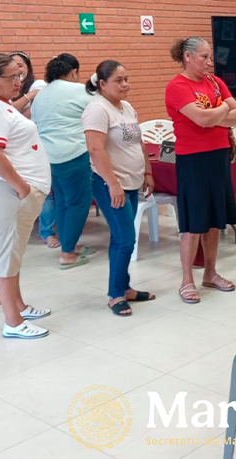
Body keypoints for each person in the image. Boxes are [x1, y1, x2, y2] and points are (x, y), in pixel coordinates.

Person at [0, 54, 53, 339]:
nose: (18, 82)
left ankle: (19, 306)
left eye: (20, 76)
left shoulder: (1, 106)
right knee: (6, 256)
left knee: (14, 254)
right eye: (11, 77)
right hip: (6, 193)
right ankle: (13, 322)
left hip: (15, 193)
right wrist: (21, 187)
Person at [165, 37, 236, 305]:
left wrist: (213, 115)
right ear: (187, 56)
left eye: (210, 57)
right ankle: (187, 279)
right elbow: (201, 118)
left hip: (219, 155)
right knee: (192, 223)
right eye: (204, 57)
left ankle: (210, 273)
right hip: (193, 159)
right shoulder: (178, 86)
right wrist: (221, 110)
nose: (210, 62)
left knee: (214, 220)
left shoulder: (214, 82)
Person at [83, 60, 155, 316]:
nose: (125, 85)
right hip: (109, 184)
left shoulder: (126, 107)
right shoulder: (97, 110)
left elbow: (138, 143)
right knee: (126, 239)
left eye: (127, 79)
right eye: (118, 80)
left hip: (132, 180)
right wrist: (113, 184)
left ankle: (124, 288)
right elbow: (95, 149)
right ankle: (115, 295)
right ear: (102, 84)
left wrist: (147, 170)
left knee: (122, 237)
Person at [32, 53, 95, 269]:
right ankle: (67, 254)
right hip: (74, 154)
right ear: (74, 72)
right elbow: (100, 111)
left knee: (62, 202)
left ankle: (69, 244)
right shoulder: (79, 90)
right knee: (78, 203)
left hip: (48, 158)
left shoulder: (41, 94)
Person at [10, 51, 56, 247]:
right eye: (12, 66)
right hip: (15, 148)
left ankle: (47, 232)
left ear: (27, 67)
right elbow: (10, 112)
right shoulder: (9, 90)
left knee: (46, 190)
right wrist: (27, 98)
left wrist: (20, 104)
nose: (17, 69)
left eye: (20, 65)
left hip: (39, 146)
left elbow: (25, 115)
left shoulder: (39, 86)